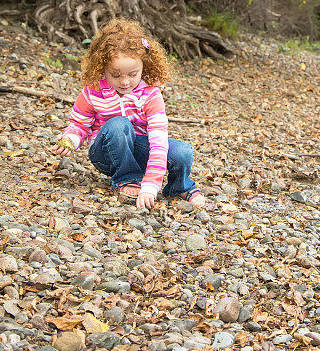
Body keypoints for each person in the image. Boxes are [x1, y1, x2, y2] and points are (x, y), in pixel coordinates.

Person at [49, 18, 205, 209]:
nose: (124, 82)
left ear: (144, 66)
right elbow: (80, 124)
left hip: (138, 150)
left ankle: (179, 186)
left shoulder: (150, 94)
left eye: (132, 74)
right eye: (116, 75)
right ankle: (126, 178)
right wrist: (70, 140)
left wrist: (151, 184)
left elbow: (158, 140)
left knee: (182, 152)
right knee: (119, 124)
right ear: (102, 67)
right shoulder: (93, 90)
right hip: (106, 151)